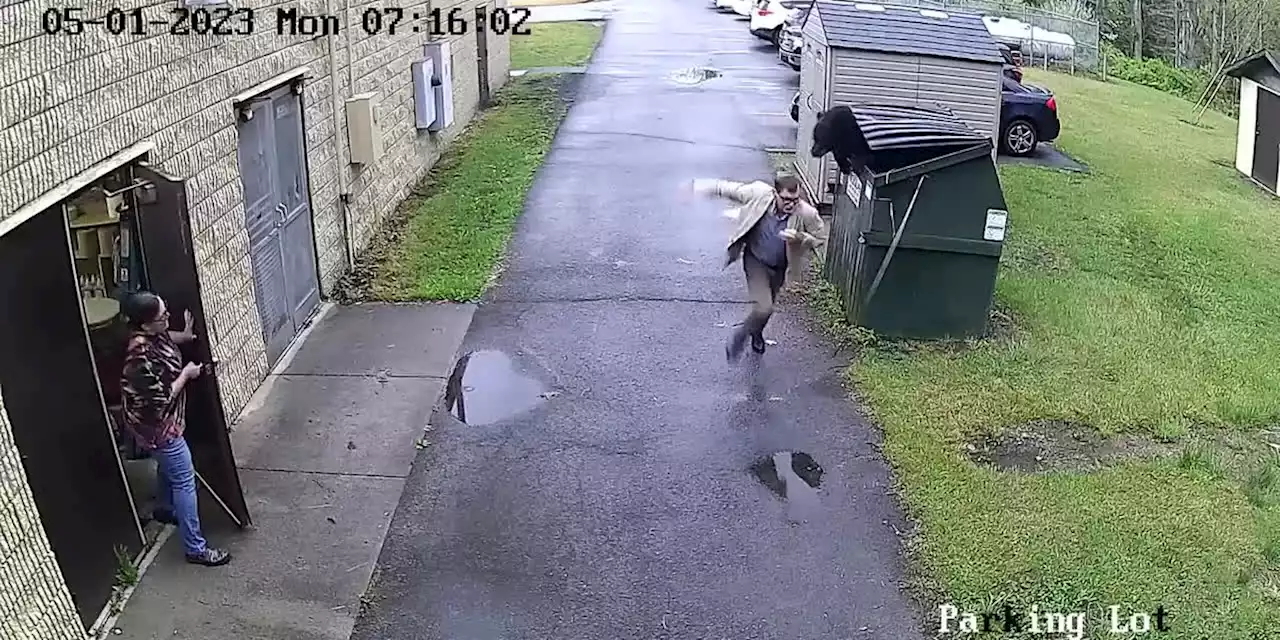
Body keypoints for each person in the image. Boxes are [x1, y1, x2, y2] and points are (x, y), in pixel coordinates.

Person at [119, 291, 232, 567]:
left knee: (167, 466)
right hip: (156, 427)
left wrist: (188, 334)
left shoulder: (153, 336)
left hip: (156, 425)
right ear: (145, 324)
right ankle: (195, 548)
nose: (167, 318)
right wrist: (187, 374)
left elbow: (167, 338)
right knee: (185, 480)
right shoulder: (138, 358)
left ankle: (164, 508)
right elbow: (161, 398)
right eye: (163, 316)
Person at [692, 173, 828, 361]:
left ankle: (756, 333)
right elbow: (729, 188)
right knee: (764, 307)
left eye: (795, 200)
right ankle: (740, 337)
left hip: (780, 267)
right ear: (775, 194)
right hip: (756, 260)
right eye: (786, 199)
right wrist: (697, 186)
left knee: (766, 306)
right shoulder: (759, 194)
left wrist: (800, 237)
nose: (791, 204)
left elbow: (820, 240)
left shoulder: (807, 213)